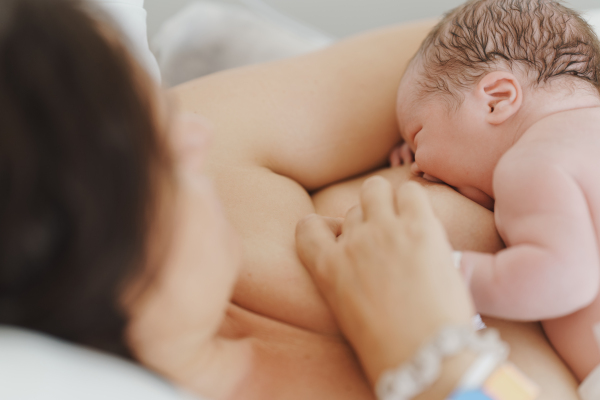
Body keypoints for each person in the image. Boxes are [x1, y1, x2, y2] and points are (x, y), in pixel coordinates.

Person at [0, 0, 581, 399]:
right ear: (86, 232)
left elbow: (517, 52)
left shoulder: (222, 180)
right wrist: (433, 359)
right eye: (156, 145)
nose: (189, 129)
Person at [387, 0, 600, 382]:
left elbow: (565, 279)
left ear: (497, 99)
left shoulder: (531, 163)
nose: (416, 166)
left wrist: (451, 272)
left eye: (418, 137)